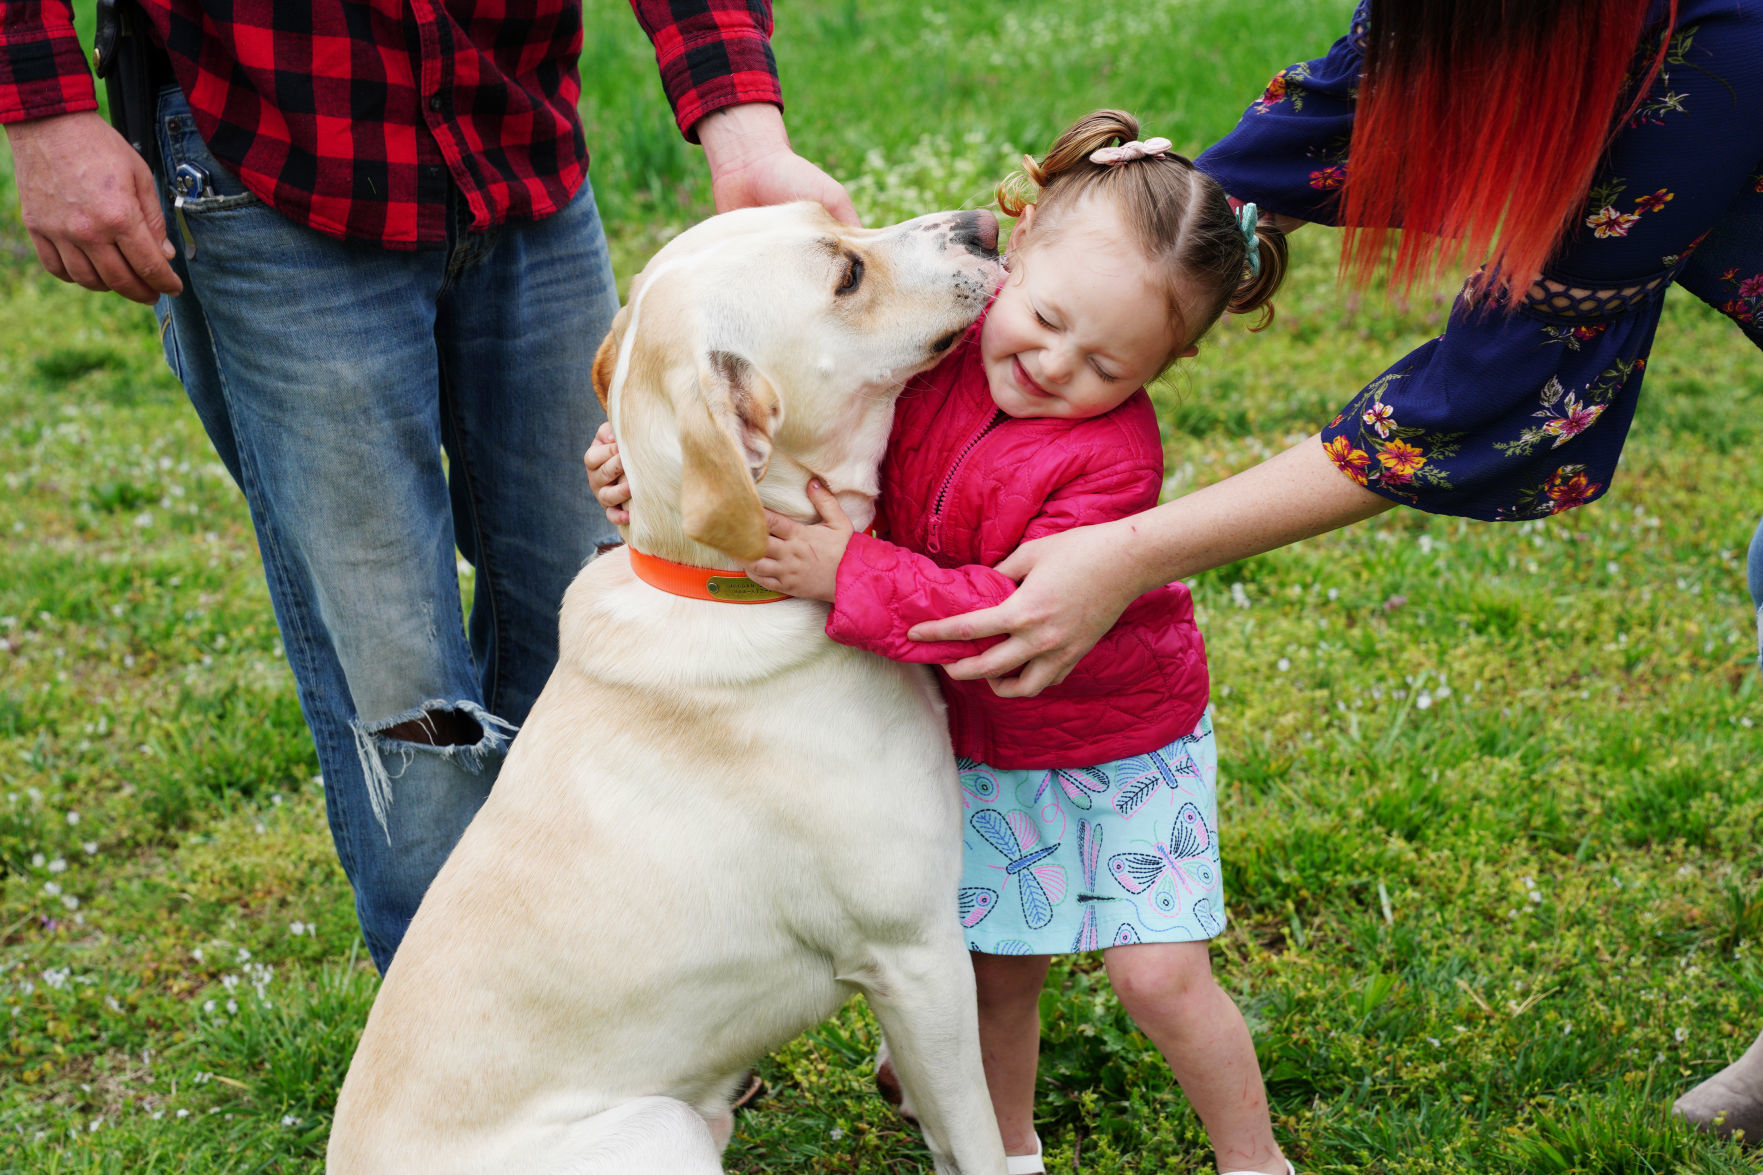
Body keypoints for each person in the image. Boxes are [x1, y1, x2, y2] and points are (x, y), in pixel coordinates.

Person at [891, 0, 1763, 1142]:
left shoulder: (1723, 48)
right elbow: (1235, 180)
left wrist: (1128, 551)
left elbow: (1480, 390)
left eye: (1103, 357)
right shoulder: (1444, 19)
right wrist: (1094, 251)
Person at [0, 0, 855, 974]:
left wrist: (740, 118)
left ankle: (614, 988)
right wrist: (44, 109)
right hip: (275, 146)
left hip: (512, 132)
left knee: (600, 609)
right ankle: (480, 1046)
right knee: (402, 687)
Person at [594, 108, 1297, 1175]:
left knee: (1158, 976)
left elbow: (1003, 611)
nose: (1052, 362)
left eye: (1107, 359)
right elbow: (803, 391)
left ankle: (1251, 1156)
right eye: (1046, 316)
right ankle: (1003, 1147)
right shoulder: (940, 344)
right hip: (983, 747)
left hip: (1112, 750)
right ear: (1010, 258)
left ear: (1166, 363)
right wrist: (648, 462)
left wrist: (850, 572)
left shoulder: (1109, 467)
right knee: (993, 972)